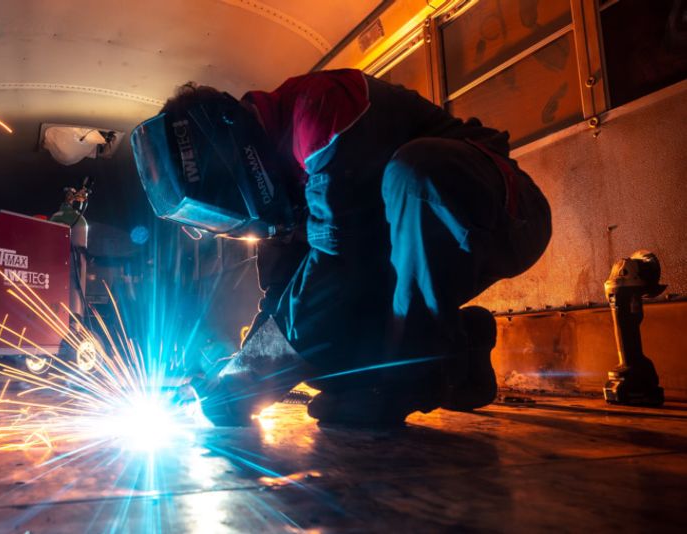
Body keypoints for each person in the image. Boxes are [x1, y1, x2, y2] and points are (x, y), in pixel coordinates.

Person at [130, 68, 551, 426]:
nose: (229, 225)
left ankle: (412, 377)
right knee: (326, 362)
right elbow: (283, 300)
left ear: (231, 151)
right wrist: (237, 372)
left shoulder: (320, 110)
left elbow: (334, 268)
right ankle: (460, 354)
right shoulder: (279, 193)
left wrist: (246, 382)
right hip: (413, 248)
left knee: (416, 174)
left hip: (503, 212)